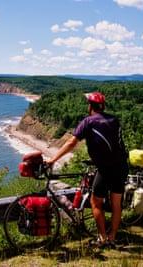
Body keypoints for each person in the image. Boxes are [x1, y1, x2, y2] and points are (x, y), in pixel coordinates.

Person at [47, 92, 129, 248]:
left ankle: (102, 238)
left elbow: (71, 143)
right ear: (103, 106)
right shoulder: (114, 120)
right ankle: (112, 237)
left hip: (106, 168)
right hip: (122, 166)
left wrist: (53, 159)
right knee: (116, 203)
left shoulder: (88, 122)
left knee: (95, 201)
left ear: (90, 106)